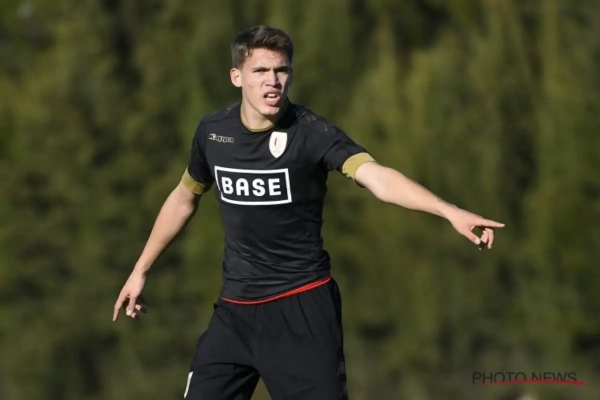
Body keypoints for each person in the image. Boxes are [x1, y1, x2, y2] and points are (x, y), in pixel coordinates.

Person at [112, 25, 505, 400]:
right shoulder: (212, 132)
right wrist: (141, 269)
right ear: (237, 77)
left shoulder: (312, 133)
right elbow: (184, 197)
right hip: (234, 311)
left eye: (281, 70)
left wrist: (448, 210)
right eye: (261, 71)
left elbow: (379, 178)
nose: (272, 81)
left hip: (301, 309)